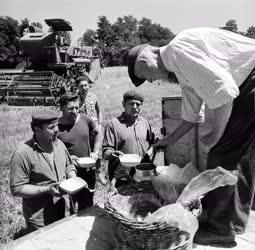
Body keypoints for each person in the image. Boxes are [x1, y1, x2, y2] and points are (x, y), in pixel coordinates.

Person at [127, 27, 255, 246]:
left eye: (142, 76)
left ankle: (220, 229)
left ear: (144, 59)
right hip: (249, 84)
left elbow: (225, 94)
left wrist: (215, 137)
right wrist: (169, 140)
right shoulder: (180, 67)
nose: (149, 80)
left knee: (220, 157)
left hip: (250, 83)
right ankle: (234, 221)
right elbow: (191, 115)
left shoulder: (178, 51)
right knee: (241, 157)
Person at [10, 109, 77, 233]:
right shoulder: (23, 153)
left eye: (57, 125)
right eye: (51, 127)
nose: (57, 129)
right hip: (40, 220)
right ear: (37, 129)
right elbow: (17, 189)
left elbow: (69, 165)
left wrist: (73, 178)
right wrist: (47, 189)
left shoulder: (59, 144)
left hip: (65, 209)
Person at [57, 93, 103, 210]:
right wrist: (67, 158)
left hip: (87, 170)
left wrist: (95, 152)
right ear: (62, 108)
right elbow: (52, 151)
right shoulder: (56, 127)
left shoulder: (85, 120)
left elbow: (98, 133)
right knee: (68, 206)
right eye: (70, 108)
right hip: (66, 173)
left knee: (87, 203)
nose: (75, 111)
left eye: (77, 108)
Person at [102, 89, 155, 188]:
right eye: (131, 104)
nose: (135, 107)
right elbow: (105, 153)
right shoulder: (113, 124)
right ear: (123, 104)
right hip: (122, 175)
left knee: (145, 199)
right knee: (121, 201)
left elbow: (152, 145)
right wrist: (113, 153)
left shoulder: (145, 123)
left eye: (138, 104)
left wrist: (155, 146)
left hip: (144, 172)